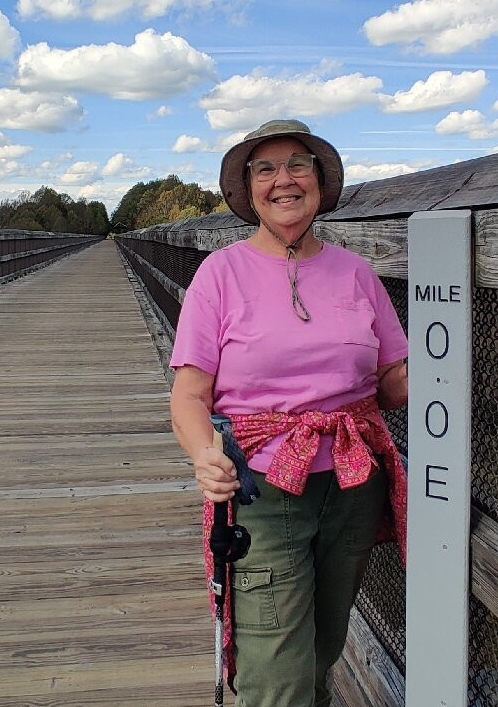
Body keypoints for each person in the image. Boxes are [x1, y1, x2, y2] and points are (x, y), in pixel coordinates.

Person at [169, 119, 408, 707]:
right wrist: (205, 456)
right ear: (248, 189)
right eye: (266, 168)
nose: (284, 180)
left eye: (298, 165)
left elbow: (393, 385)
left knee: (322, 651)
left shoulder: (356, 273)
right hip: (263, 487)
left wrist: (448, 353)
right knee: (276, 675)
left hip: (352, 484)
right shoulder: (219, 275)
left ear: (320, 182)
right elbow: (189, 394)